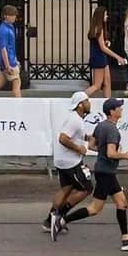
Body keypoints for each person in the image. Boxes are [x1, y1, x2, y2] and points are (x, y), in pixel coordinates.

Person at [61, 98, 128, 251]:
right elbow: (111, 153)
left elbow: (92, 145)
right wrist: (125, 155)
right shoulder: (112, 130)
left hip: (105, 171)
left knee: (122, 203)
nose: (121, 109)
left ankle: (126, 239)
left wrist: (105, 152)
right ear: (112, 111)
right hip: (106, 172)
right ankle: (62, 220)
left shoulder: (101, 125)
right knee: (95, 208)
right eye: (118, 108)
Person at [47, 93, 94, 238]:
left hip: (63, 160)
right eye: (87, 100)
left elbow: (76, 135)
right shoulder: (75, 120)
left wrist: (87, 138)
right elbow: (63, 138)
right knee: (86, 188)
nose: (89, 103)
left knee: (66, 189)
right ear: (80, 104)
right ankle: (59, 216)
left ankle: (49, 221)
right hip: (70, 162)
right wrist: (78, 148)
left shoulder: (76, 119)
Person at [84, 6, 123, 99]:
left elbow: (99, 43)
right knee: (97, 85)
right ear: (100, 16)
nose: (107, 16)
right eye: (105, 14)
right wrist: (118, 57)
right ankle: (79, 98)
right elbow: (102, 48)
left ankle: (108, 103)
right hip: (99, 58)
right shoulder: (99, 29)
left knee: (107, 82)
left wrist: (106, 42)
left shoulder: (97, 28)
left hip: (100, 57)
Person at [0, 5, 23, 98]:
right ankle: (19, 107)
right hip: (9, 62)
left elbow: (10, 48)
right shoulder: (4, 30)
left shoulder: (8, 28)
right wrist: (8, 65)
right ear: (6, 16)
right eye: (13, 15)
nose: (15, 17)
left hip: (9, 61)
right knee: (17, 85)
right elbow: (3, 49)